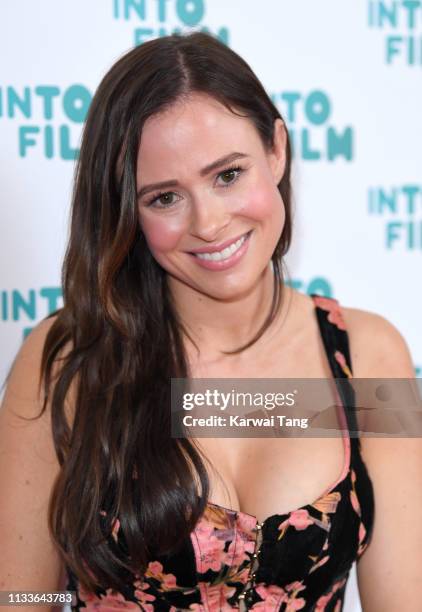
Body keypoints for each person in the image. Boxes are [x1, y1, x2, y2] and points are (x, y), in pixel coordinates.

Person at [0, 31, 421, 612]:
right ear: (126, 207)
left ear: (277, 150)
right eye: (165, 198)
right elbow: (18, 596)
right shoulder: (72, 358)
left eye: (227, 175)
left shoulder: (368, 355)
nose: (209, 223)